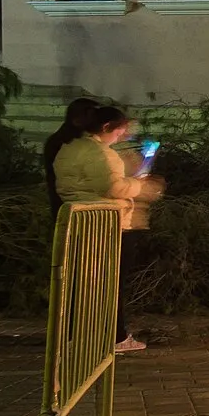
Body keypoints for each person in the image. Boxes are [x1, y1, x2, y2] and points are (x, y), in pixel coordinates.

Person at [52, 105, 163, 353]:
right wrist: (141, 185)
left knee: (86, 282)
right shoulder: (101, 153)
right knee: (112, 284)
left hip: (84, 223)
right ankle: (116, 337)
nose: (120, 138)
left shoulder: (69, 148)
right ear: (106, 127)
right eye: (118, 132)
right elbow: (114, 187)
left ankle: (77, 336)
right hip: (110, 225)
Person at [43, 96, 100, 219]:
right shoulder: (66, 144)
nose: (97, 122)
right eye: (93, 117)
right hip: (70, 206)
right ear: (78, 119)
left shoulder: (72, 140)